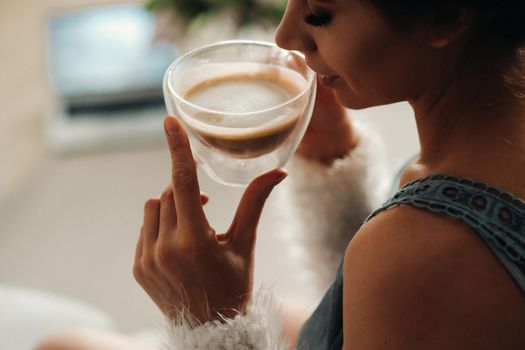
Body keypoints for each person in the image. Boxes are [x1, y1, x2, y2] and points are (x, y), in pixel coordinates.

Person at [37, 0, 525, 348]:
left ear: (443, 13)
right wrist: (335, 164)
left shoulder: (418, 260)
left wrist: (216, 326)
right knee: (292, 314)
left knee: (65, 344)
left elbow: (408, 277)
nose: (287, 38)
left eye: (318, 14)